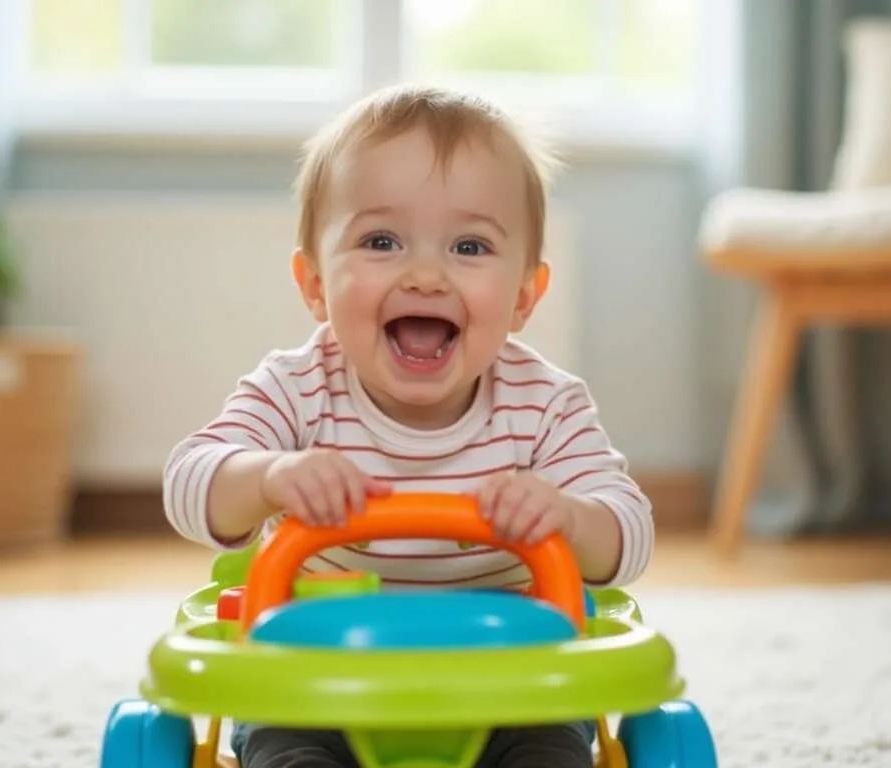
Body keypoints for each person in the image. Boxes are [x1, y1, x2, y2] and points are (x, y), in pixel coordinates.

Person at [162, 83, 654, 768]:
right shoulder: (298, 387)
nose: (425, 274)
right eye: (382, 240)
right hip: (319, 680)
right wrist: (271, 476)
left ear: (522, 297)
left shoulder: (546, 404)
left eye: (470, 246)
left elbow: (627, 535)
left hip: (510, 685)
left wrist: (569, 516)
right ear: (314, 286)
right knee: (289, 754)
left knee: (549, 754)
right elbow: (189, 480)